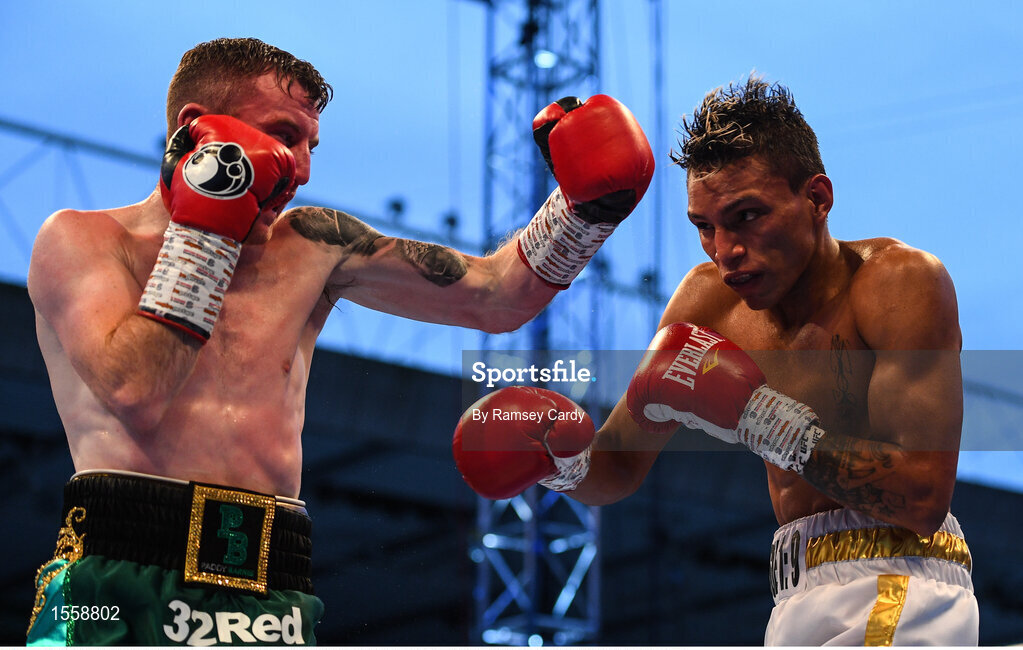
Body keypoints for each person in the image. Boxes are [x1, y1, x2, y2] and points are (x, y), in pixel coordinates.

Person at [25, 37, 654, 645]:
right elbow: (136, 389)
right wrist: (211, 216)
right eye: (281, 135)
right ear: (196, 128)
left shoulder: (314, 246)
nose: (298, 168)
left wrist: (583, 211)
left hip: (270, 584)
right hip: (114, 570)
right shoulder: (84, 241)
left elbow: (496, 298)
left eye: (310, 146)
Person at [453, 75, 979, 646]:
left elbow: (923, 499)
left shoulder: (896, 284)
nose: (725, 251)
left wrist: (756, 416)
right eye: (704, 227)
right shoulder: (705, 303)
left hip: (901, 579)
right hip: (793, 593)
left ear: (818, 199)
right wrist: (557, 458)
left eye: (747, 216)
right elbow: (618, 467)